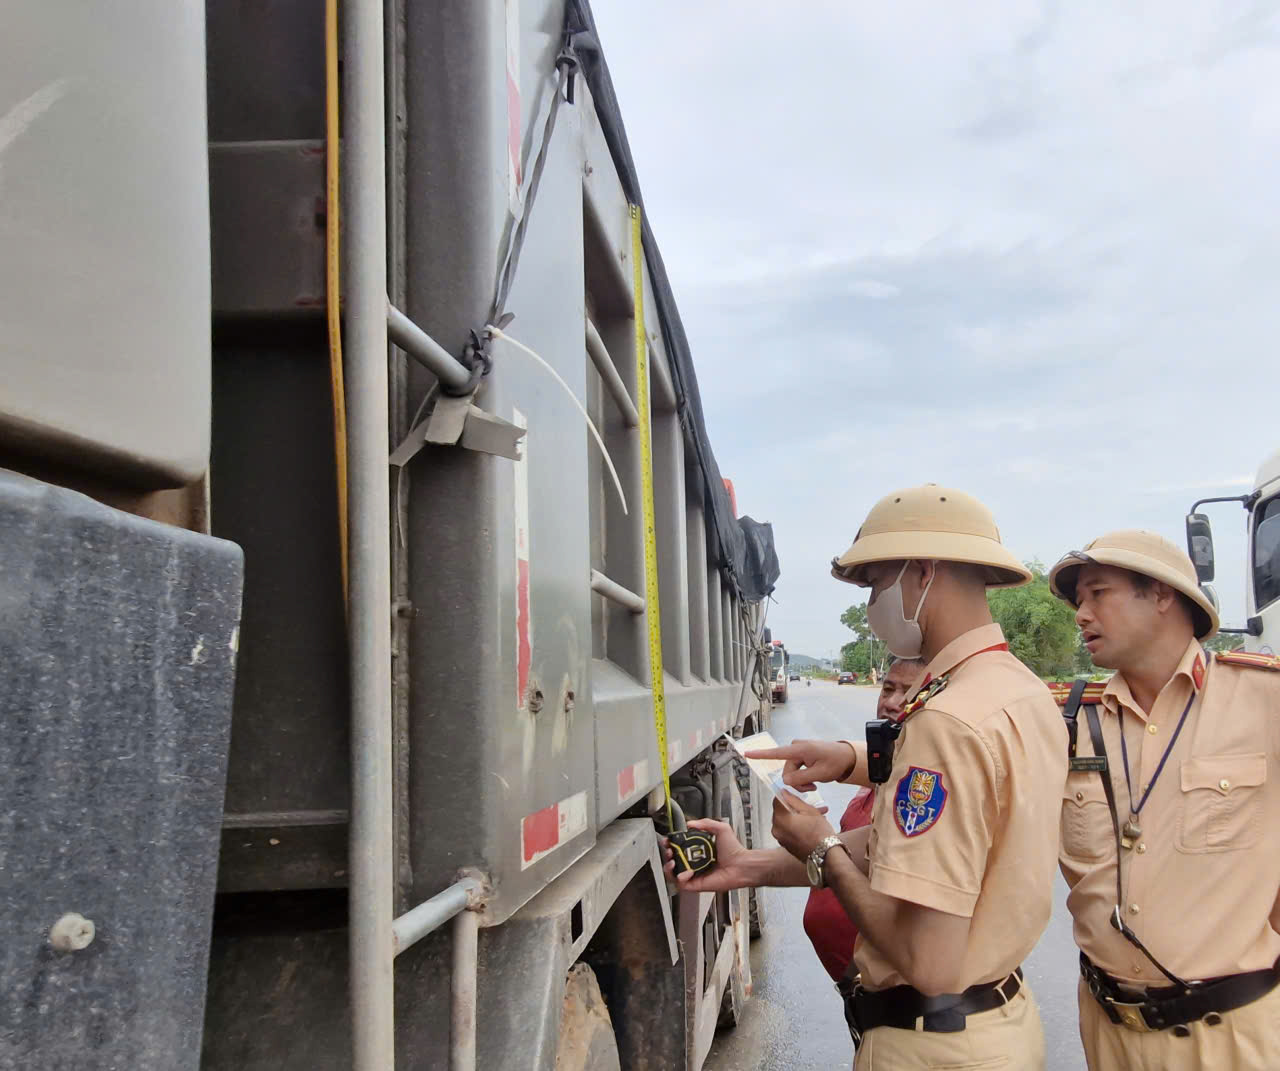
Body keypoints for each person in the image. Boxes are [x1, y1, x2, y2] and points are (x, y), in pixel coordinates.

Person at [671, 484, 1066, 1069]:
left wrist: (822, 848)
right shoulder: (1021, 691)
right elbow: (901, 848)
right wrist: (749, 866)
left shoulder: (947, 722)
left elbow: (927, 961)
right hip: (997, 1026)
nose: (873, 604)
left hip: (933, 1049)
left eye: (876, 584)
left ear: (923, 572)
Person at [1047, 530, 1280, 1070]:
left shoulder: (1264, 700)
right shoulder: (1068, 719)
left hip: (1233, 1038)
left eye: (1098, 593)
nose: (1081, 615)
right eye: (1078, 600)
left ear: (1161, 594)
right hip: (1109, 1033)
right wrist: (858, 758)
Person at [802, 656, 925, 989]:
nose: (892, 702)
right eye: (888, 689)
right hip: (860, 991)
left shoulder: (922, 793)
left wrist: (819, 844)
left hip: (894, 995)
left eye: (909, 691)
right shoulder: (884, 771)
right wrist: (744, 864)